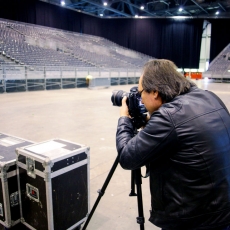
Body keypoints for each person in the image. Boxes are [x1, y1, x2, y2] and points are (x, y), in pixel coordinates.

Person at [116, 59, 230, 230]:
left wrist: (124, 119)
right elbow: (183, 129)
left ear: (154, 92)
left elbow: (126, 157)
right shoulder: (208, 97)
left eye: (141, 94)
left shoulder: (168, 117)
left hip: (194, 220)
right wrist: (148, 121)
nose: (140, 99)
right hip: (222, 209)